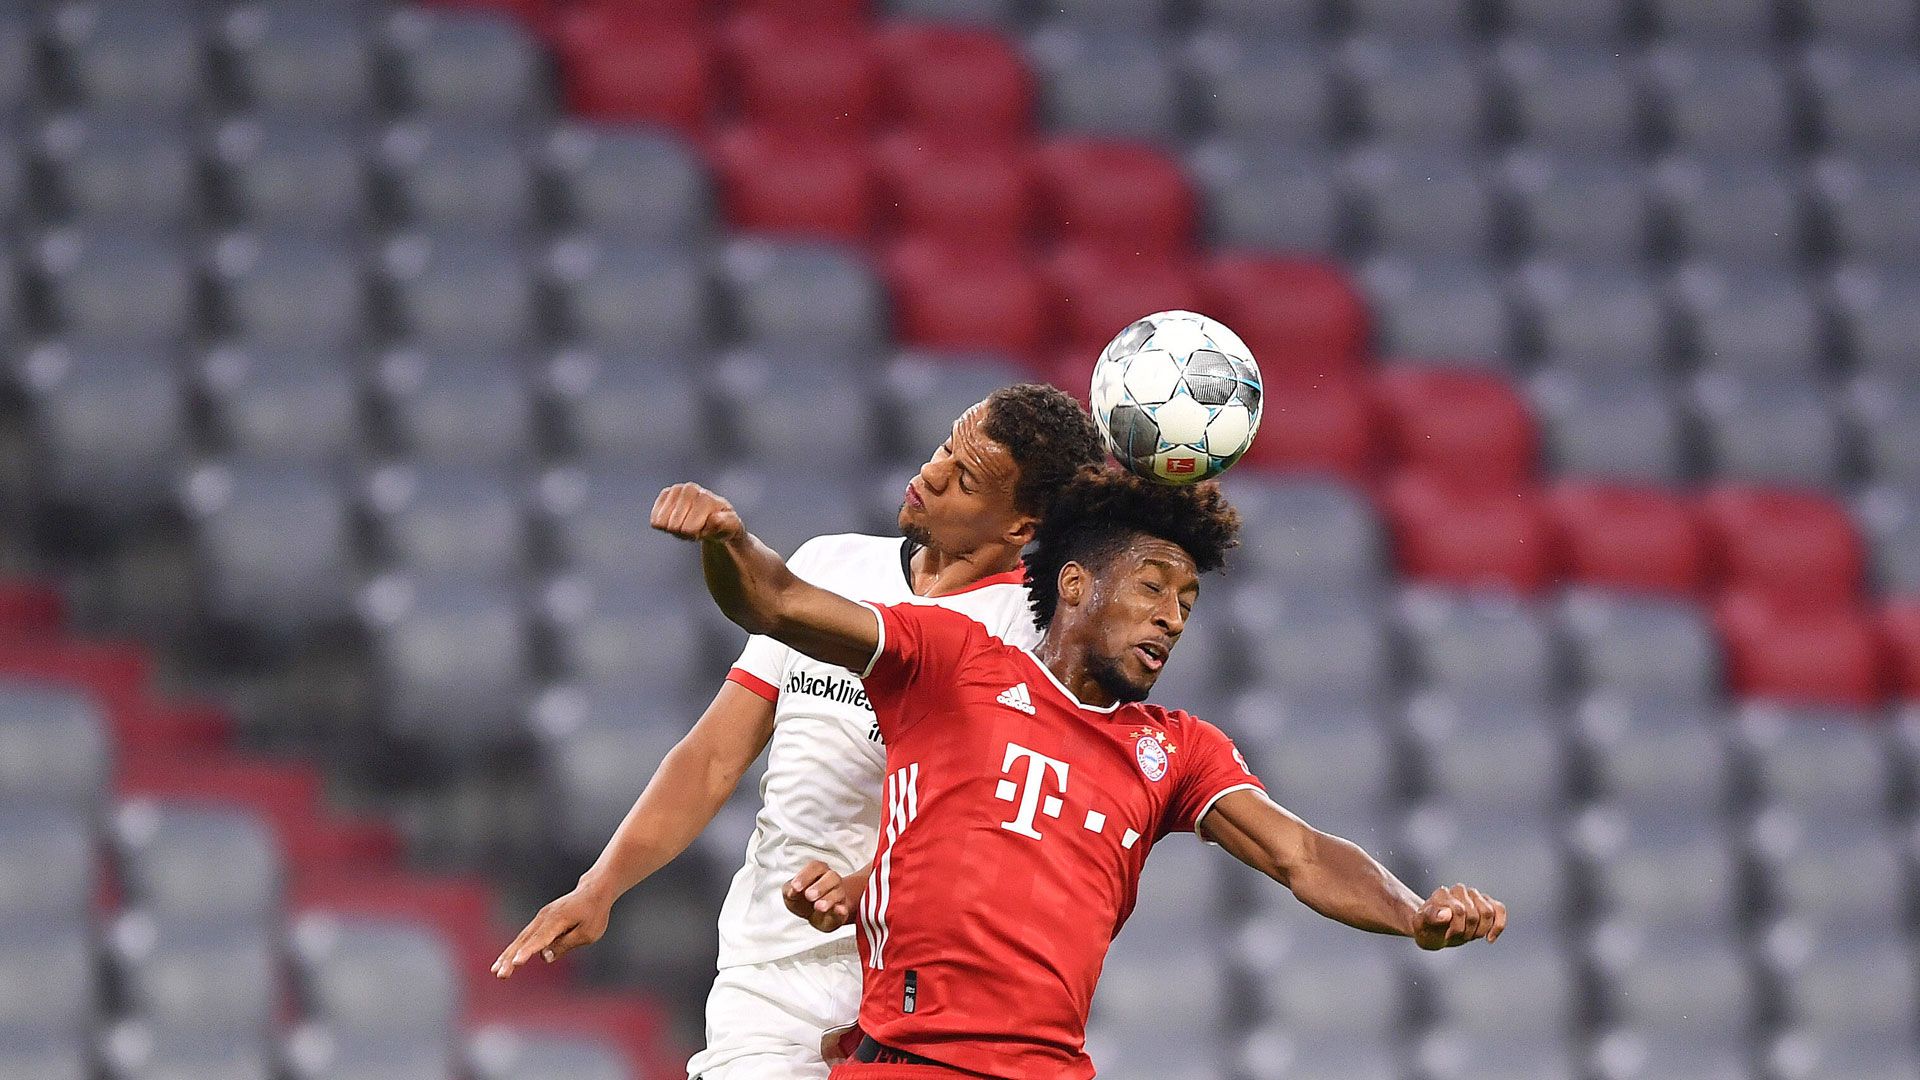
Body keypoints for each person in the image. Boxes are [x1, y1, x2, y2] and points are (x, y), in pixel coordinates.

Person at [650, 467, 1507, 1080]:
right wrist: (730, 540)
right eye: (1151, 587)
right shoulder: (952, 664)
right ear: (1073, 584)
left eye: (1187, 603)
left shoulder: (1178, 750)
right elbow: (778, 603)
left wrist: (1413, 915)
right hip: (908, 1059)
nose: (1171, 617)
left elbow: (1303, 855)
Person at [493, 385, 1106, 1080]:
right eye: (943, 450)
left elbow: (996, 836)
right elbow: (713, 756)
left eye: (964, 480)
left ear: (1020, 528)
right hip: (770, 973)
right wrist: (600, 886)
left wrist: (861, 889)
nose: (930, 475)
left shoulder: (1029, 639)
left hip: (921, 989)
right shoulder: (831, 567)